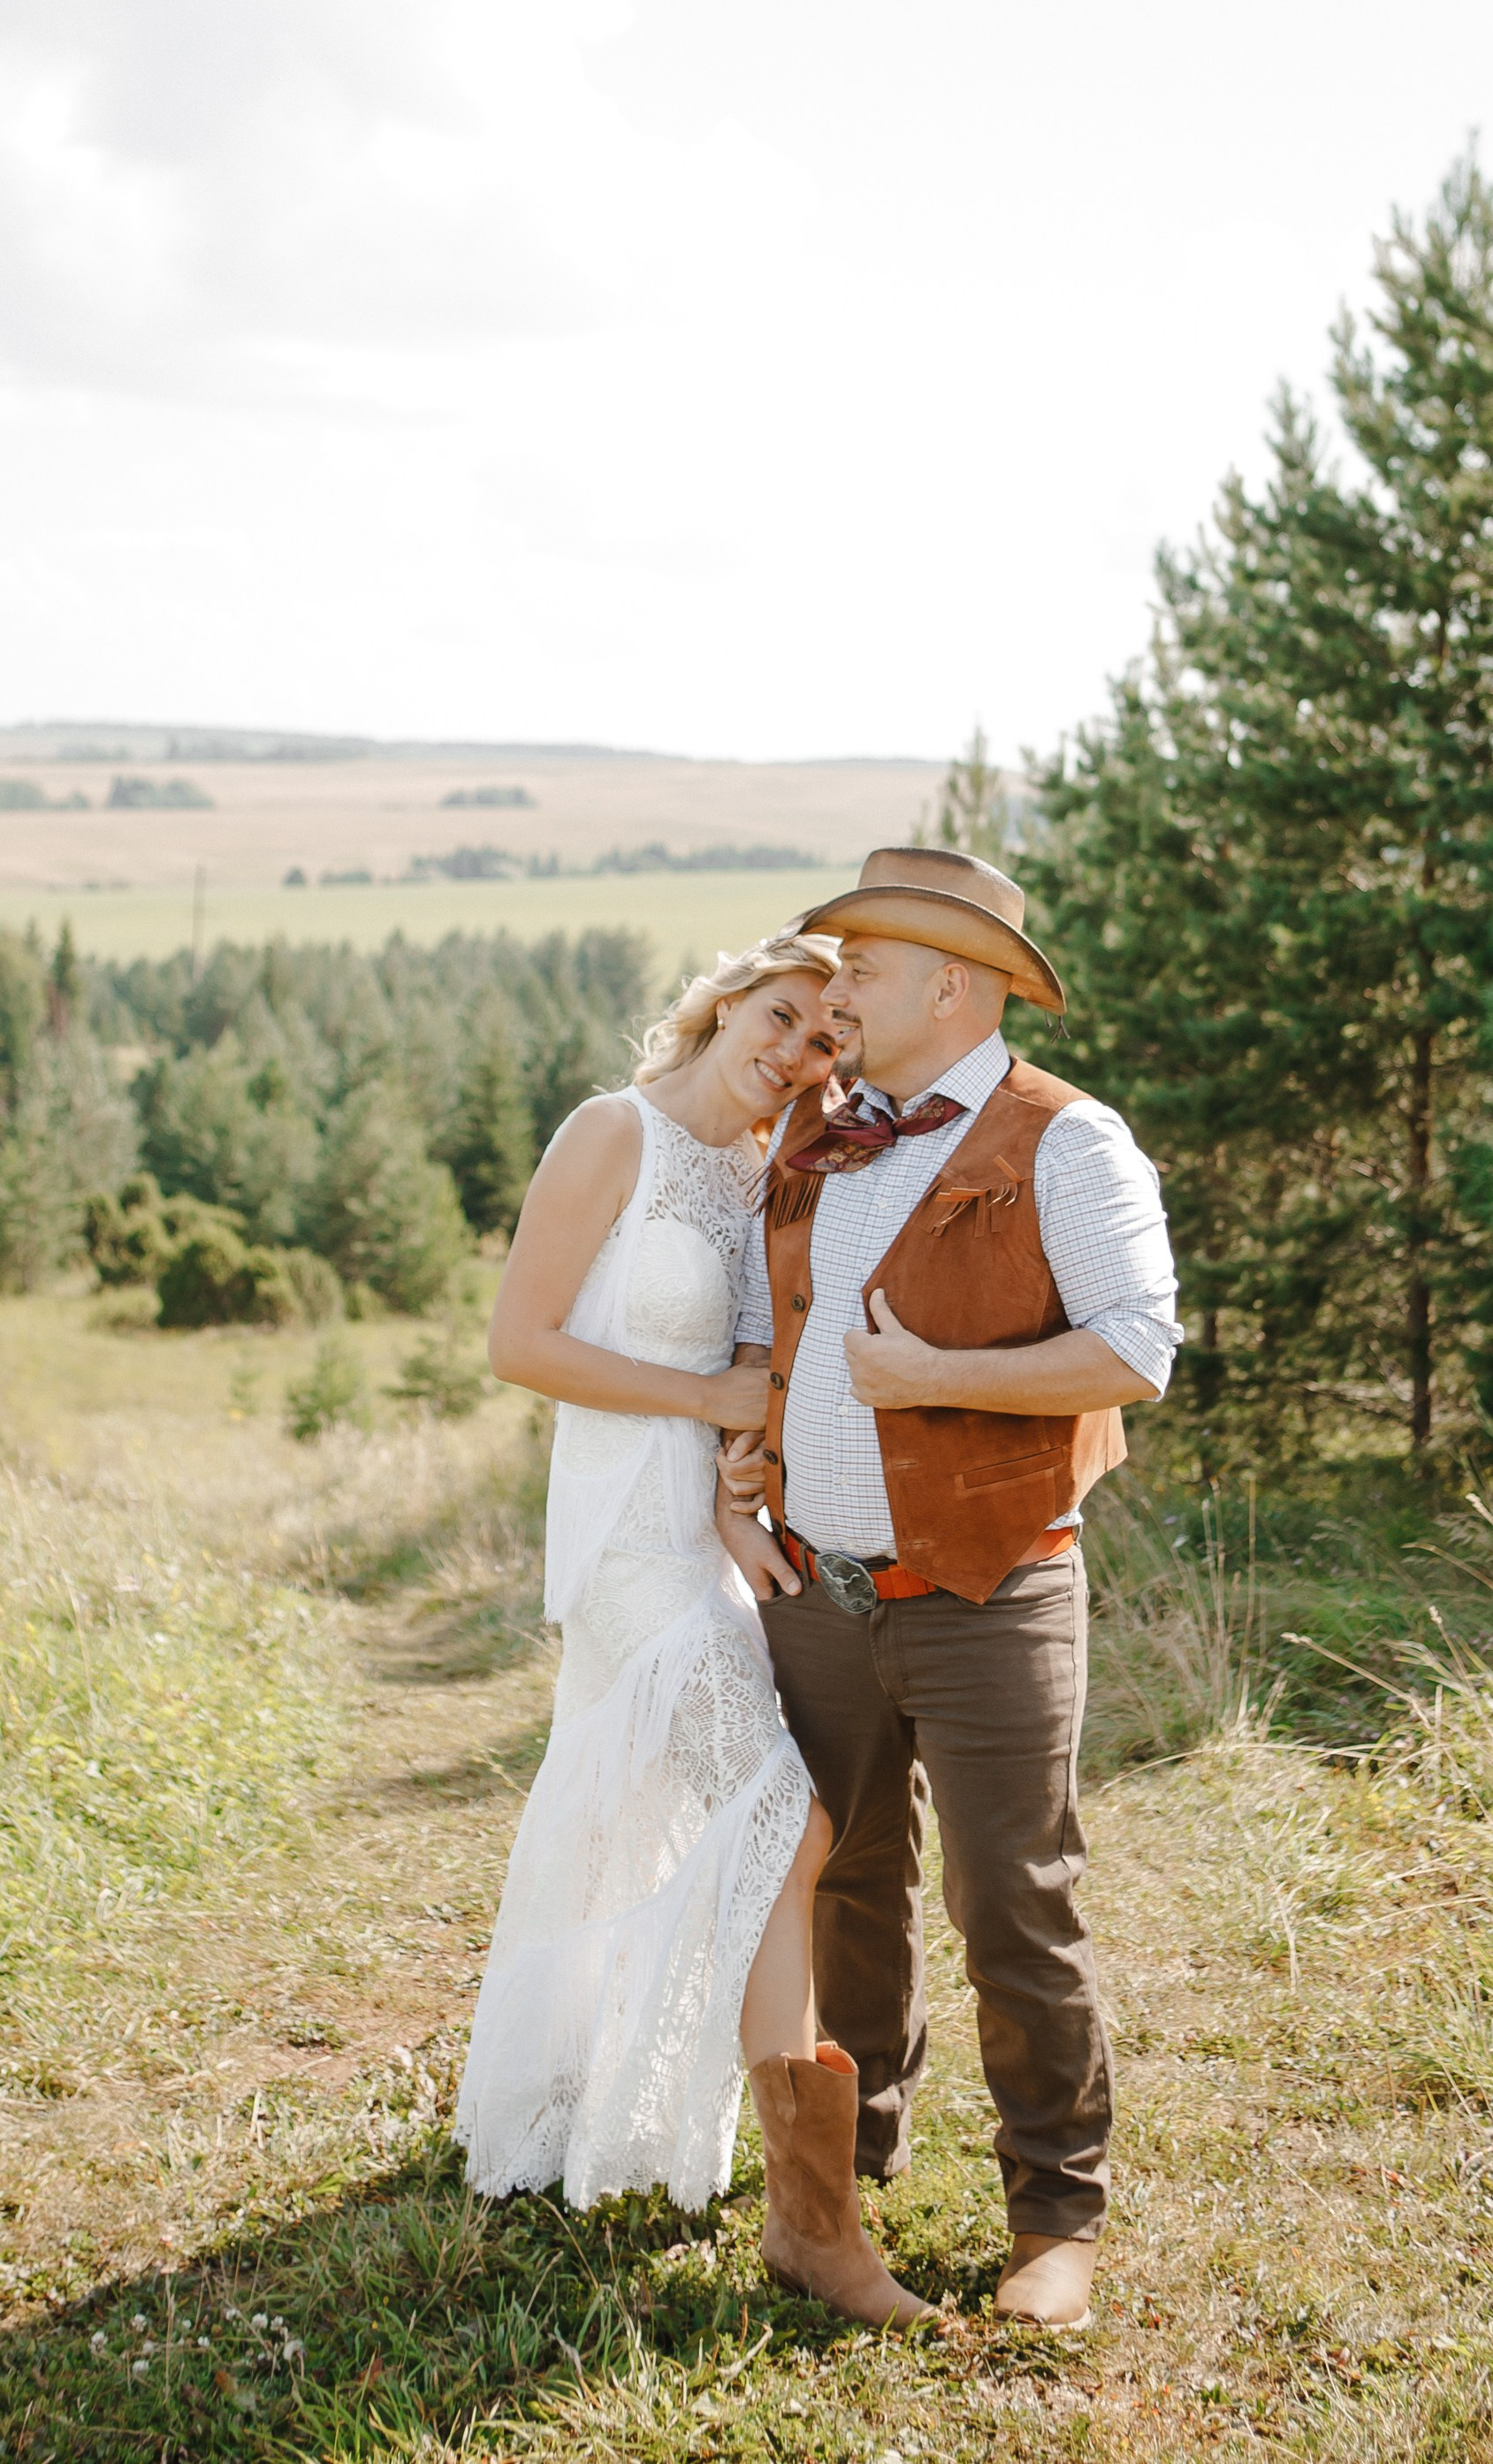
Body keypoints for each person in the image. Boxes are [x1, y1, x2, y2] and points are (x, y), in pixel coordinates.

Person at [720, 848, 1180, 2333]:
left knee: (1011, 1898)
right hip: (815, 1586)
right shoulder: (811, 1126)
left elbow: (1137, 1350)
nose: (833, 992)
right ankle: (853, 2157)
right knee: (846, 1885)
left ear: (950, 986)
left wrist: (940, 1379)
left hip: (995, 1589)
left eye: (859, 970)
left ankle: (1057, 2215)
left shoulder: (1070, 1141)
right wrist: (747, 1462)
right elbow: (765, 1323)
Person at [456, 933, 926, 2328]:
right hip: (617, 1540)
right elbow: (521, 1343)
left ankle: (673, 2118)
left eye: (826, 1043)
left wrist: (740, 1481)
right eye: (781, 1016)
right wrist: (704, 1412)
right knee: (785, 1823)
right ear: (727, 1004)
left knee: (714, 1828)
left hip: (709, 1545)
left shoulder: (764, 1179)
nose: (796, 1052)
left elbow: (750, 1366)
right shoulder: (617, 1134)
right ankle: (813, 2220)